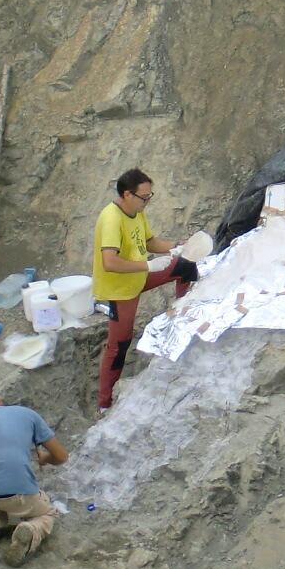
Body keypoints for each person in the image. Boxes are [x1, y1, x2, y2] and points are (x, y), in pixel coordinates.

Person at [93, 167, 198, 413]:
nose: (147, 202)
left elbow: (149, 242)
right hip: (121, 289)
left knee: (185, 267)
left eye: (150, 196)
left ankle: (184, 322)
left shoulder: (137, 212)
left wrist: (178, 246)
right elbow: (109, 261)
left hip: (139, 276)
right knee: (119, 344)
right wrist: (148, 265)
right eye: (144, 197)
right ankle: (104, 403)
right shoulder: (112, 218)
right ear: (128, 195)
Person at [0, 388, 68, 566]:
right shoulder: (26, 414)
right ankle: (31, 529)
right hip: (19, 493)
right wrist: (45, 458)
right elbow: (61, 456)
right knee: (47, 513)